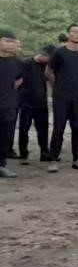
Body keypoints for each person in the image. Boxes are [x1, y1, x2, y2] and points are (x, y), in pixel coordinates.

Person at [47, 24, 78, 173]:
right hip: (61, 96)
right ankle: (53, 159)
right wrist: (57, 86)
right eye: (74, 32)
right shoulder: (59, 53)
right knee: (59, 127)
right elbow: (49, 72)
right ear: (68, 34)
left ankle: (77, 159)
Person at [17, 44, 55, 164]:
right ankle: (23, 154)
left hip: (41, 102)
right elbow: (18, 81)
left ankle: (44, 152)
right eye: (50, 58)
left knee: (43, 129)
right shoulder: (26, 64)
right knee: (24, 129)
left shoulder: (46, 66)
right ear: (44, 54)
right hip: (26, 102)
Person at [0, 29, 22, 178]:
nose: (11, 44)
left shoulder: (17, 62)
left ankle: (1, 165)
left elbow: (18, 80)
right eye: (7, 41)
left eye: (13, 42)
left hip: (8, 104)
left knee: (5, 136)